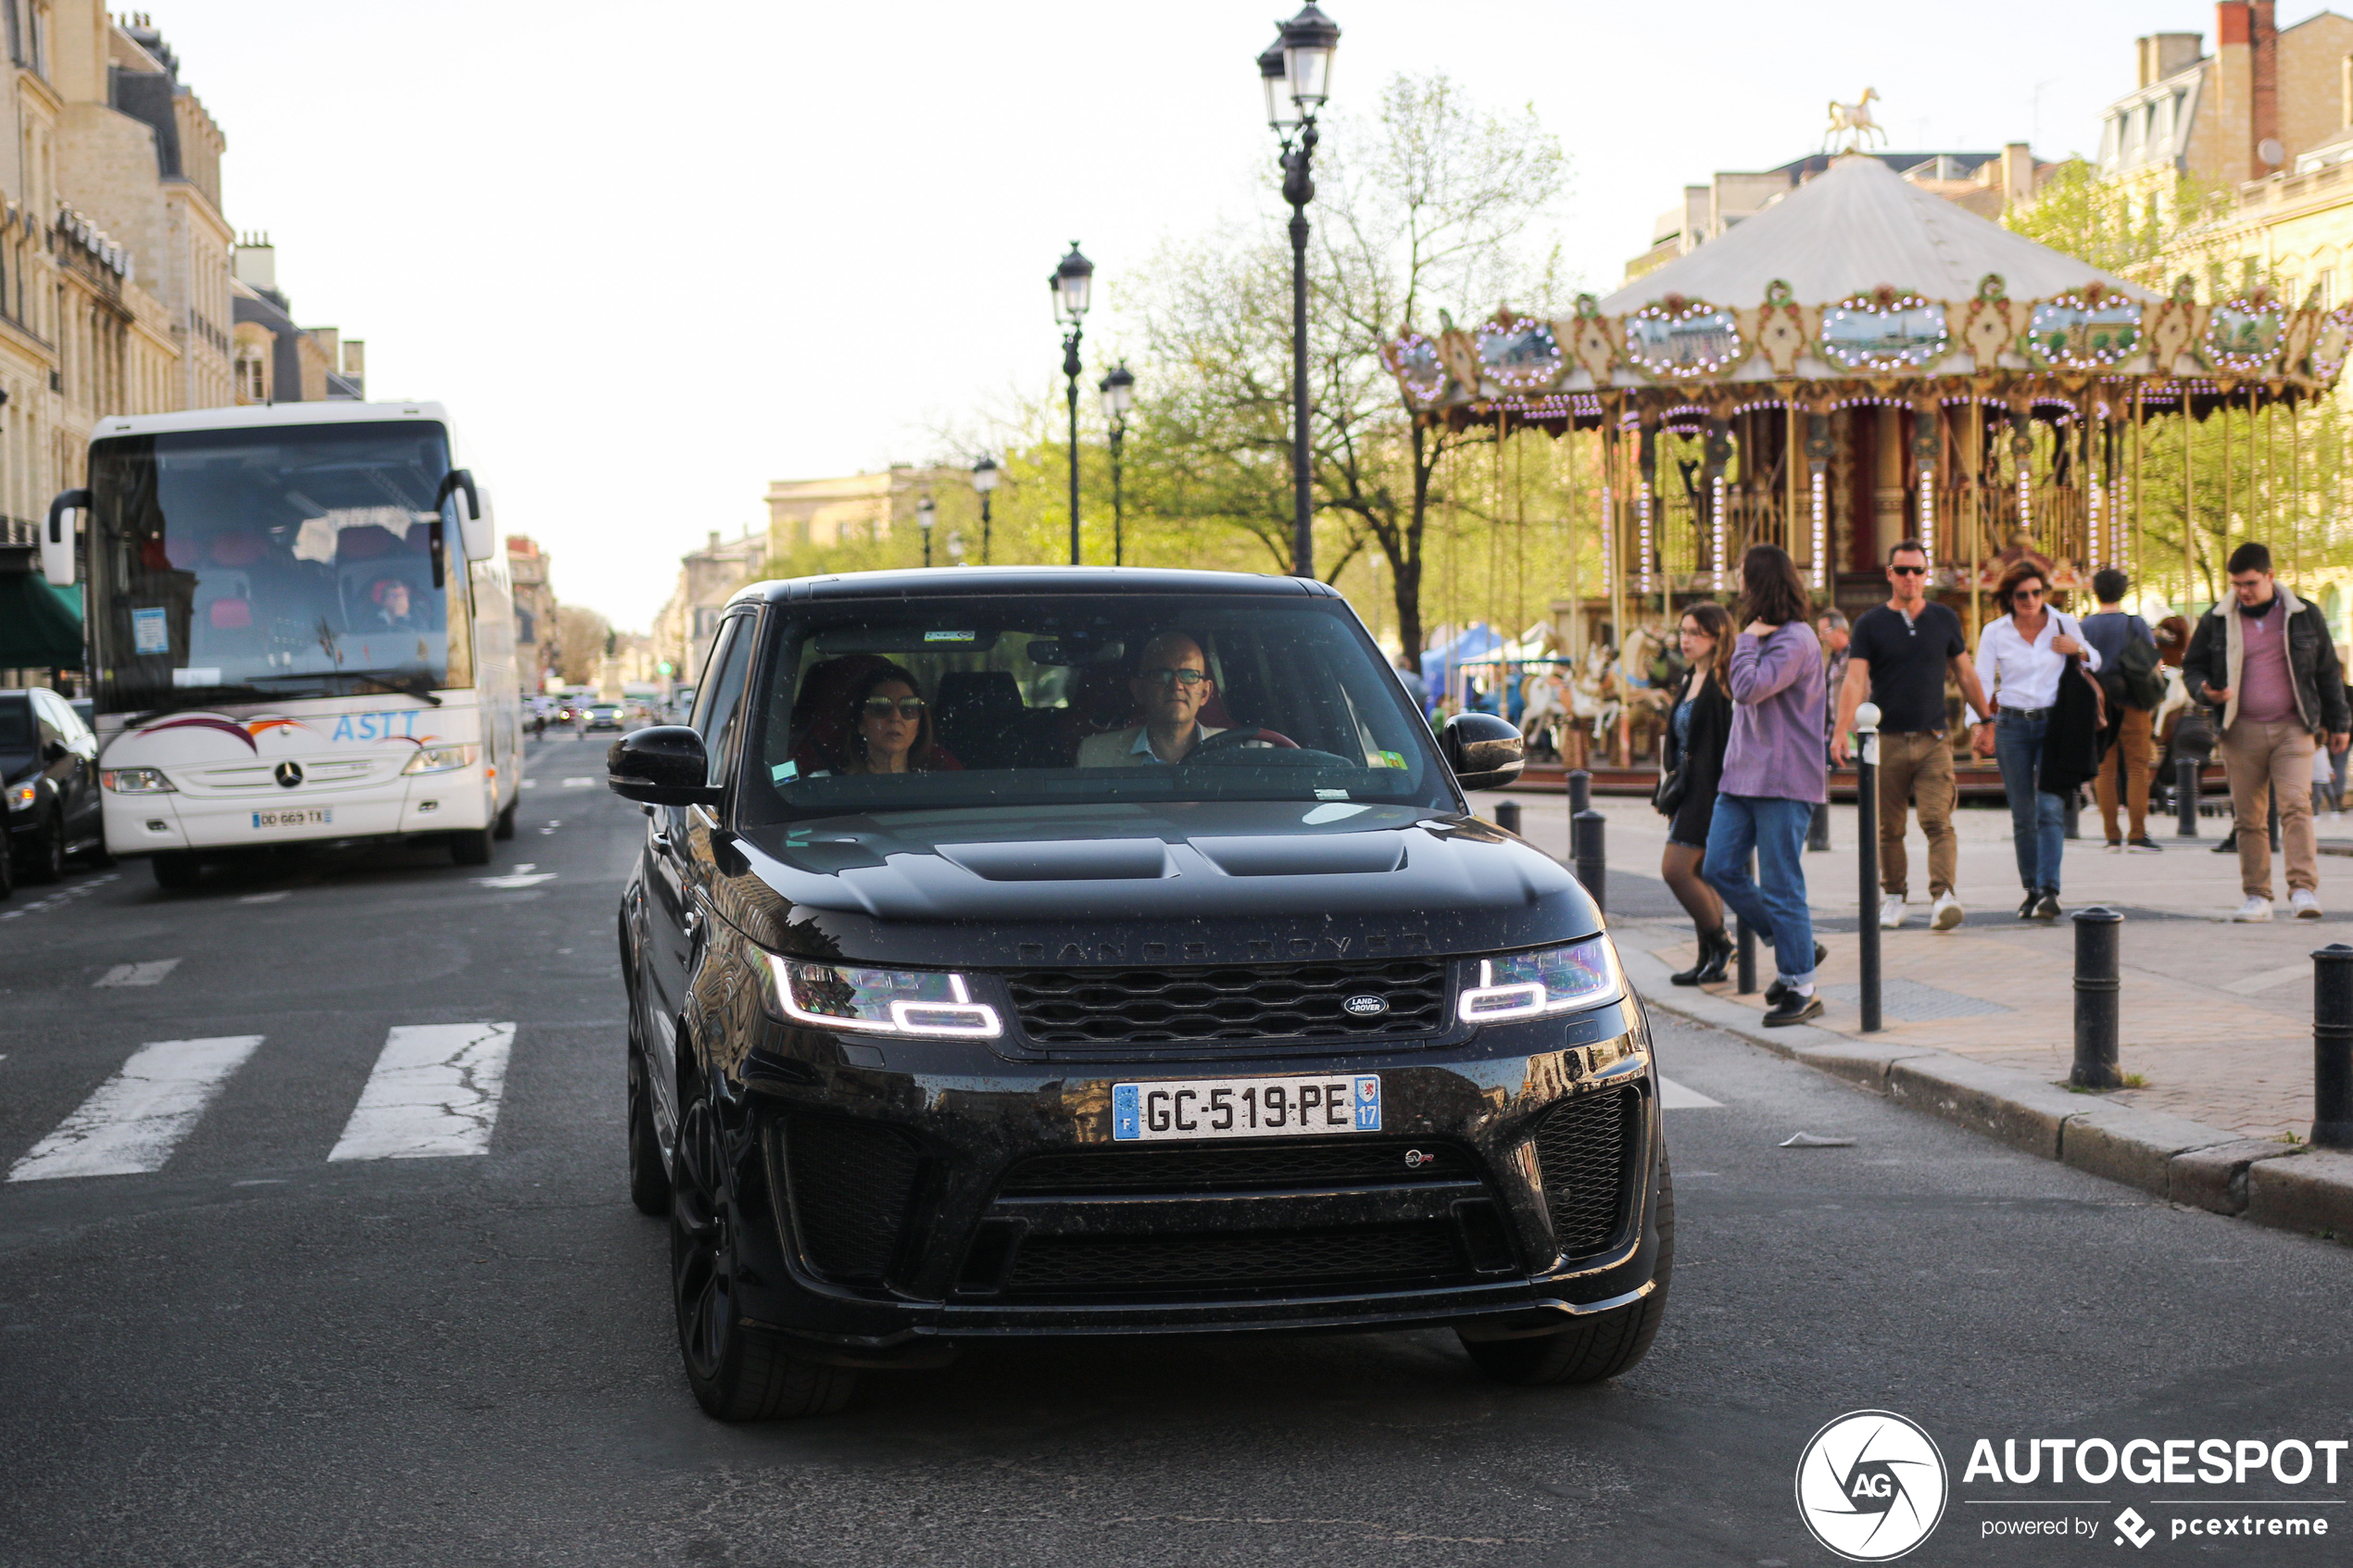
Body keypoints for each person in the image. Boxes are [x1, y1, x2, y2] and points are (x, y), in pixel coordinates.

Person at [2182, 542, 2351, 921]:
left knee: (2296, 807)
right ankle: (2257, 896)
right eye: (2237, 584)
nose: (2243, 590)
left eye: (2251, 583)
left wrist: (2339, 723)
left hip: (2294, 727)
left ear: (2271, 577)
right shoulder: (2217, 619)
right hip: (2239, 729)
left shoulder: (2304, 615)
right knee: (2249, 817)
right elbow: (2191, 666)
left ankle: (2303, 889)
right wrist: (2205, 690)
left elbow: (2327, 673)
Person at [1832, 539, 1992, 932]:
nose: (1910, 578)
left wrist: (1986, 720)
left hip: (1934, 738)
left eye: (1917, 571)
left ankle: (1944, 897)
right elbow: (1855, 681)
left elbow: (1966, 673)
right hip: (1885, 740)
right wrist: (1840, 733)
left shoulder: (1944, 619)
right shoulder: (1870, 623)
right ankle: (1894, 897)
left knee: (1938, 820)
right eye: (1902, 570)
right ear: (1889, 574)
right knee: (1889, 827)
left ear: (1926, 574)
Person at [1702, 545, 1829, 1026]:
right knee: (1719, 867)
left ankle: (1802, 986)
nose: (1737, 584)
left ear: (1761, 584)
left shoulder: (1796, 640)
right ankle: (1794, 944)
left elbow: (1750, 688)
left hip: (1783, 780)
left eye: (1743, 576)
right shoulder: (1765, 637)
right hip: (1741, 777)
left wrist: (1749, 640)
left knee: (1781, 885)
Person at [1971, 560, 2101, 922]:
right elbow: (1981, 680)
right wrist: (1980, 725)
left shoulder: (2063, 623)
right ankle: (2030, 888)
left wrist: (2078, 648)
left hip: (2053, 725)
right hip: (2011, 724)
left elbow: (2097, 661)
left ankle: (2049, 890)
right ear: (2009, 598)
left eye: (2037, 593)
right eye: (2022, 595)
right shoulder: (1995, 631)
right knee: (2022, 812)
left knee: (2049, 808)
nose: (2030, 600)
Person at [1658, 603, 1736, 985]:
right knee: (1702, 873)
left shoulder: (1725, 681)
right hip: (1687, 789)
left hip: (1711, 790)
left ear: (1717, 636)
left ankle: (1721, 943)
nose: (1685, 640)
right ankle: (1710, 958)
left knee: (1675, 869)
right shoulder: (1690, 677)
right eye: (1683, 631)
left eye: (1695, 633)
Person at [2081, 569, 2162, 852]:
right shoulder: (2135, 623)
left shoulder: (2086, 625)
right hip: (2133, 701)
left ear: (2096, 591)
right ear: (2123, 592)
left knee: (2105, 769)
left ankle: (2111, 836)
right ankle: (2138, 834)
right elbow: (2152, 658)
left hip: (2099, 704)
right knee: (2138, 768)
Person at [1076, 633, 1227, 765]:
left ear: (1205, 693)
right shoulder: (1096, 755)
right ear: (1139, 690)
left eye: (1189, 675)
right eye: (1161, 674)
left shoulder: (1236, 751)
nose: (1176, 685)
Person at [838, 663, 948, 775]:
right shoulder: (830, 785)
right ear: (860, 723)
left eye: (908, 708)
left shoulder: (939, 785)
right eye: (880, 707)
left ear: (919, 726)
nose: (895, 717)